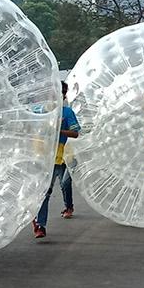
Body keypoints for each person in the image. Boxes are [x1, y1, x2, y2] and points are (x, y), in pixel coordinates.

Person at [32, 82, 80, 239]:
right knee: (43, 192)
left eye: (58, 93)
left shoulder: (67, 113)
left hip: (57, 158)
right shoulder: (40, 111)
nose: (53, 96)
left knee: (53, 188)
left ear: (63, 95)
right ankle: (40, 224)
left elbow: (75, 133)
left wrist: (59, 130)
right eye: (51, 93)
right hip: (39, 156)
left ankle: (43, 219)